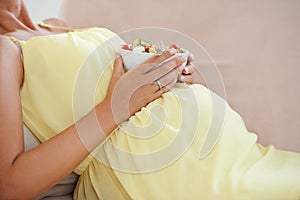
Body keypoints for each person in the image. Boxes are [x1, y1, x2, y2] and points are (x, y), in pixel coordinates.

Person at [0, 0, 299, 199]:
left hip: (226, 146)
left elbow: (116, 80)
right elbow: (10, 186)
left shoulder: (54, 23)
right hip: (162, 173)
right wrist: (115, 108)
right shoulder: (3, 50)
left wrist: (166, 72)